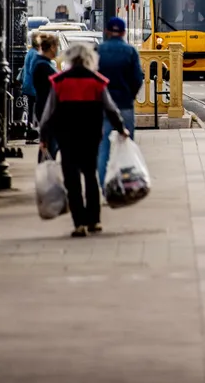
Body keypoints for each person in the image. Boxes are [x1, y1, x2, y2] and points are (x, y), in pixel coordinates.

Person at [38, 43, 126, 238]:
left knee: (72, 179)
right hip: (91, 136)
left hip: (66, 137)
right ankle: (94, 220)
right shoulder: (97, 81)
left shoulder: (59, 81)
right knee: (90, 175)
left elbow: (48, 113)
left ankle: (79, 224)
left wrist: (44, 137)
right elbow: (111, 109)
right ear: (89, 59)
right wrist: (121, 128)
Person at [96, 16, 144, 189]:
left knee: (103, 149)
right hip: (124, 104)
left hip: (102, 106)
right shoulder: (130, 51)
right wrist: (130, 94)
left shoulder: (98, 51)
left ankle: (104, 186)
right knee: (125, 145)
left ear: (107, 31)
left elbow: (94, 77)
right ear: (124, 32)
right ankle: (125, 185)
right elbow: (138, 78)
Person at [31, 35, 59, 162]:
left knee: (48, 142)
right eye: (56, 46)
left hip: (44, 106)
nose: (57, 50)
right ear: (52, 47)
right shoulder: (43, 66)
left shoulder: (42, 63)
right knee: (49, 142)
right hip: (46, 107)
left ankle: (47, 167)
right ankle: (47, 169)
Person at [20, 33, 42, 141]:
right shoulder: (35, 54)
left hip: (28, 85)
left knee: (31, 109)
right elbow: (34, 69)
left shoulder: (30, 52)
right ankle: (33, 132)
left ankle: (30, 131)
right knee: (37, 109)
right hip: (34, 86)